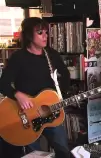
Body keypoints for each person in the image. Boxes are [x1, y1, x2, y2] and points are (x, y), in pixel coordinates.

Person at [0, 17, 71, 158]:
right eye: (40, 33)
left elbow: (66, 76)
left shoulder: (51, 55)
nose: (45, 36)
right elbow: (3, 84)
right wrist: (17, 94)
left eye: (45, 32)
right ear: (29, 35)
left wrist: (60, 96)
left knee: (63, 151)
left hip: (51, 112)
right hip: (25, 116)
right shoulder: (18, 58)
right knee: (34, 155)